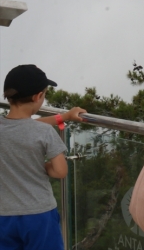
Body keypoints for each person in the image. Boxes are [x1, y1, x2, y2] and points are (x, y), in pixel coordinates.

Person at [0, 64, 85, 250]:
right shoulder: (44, 132)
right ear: (38, 97)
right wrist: (41, 165)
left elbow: (22, 127)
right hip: (39, 215)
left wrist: (64, 117)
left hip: (4, 215)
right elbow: (60, 171)